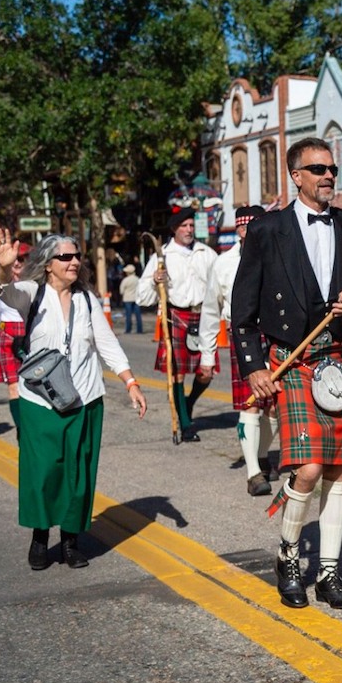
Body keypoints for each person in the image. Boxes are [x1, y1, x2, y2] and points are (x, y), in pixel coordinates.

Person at [231, 137, 342, 611]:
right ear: (296, 176)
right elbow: (243, 311)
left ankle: (331, 573)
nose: (327, 177)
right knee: (310, 468)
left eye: (332, 169)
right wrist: (255, 367)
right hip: (294, 361)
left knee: (339, 471)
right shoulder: (267, 230)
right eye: (317, 169)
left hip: (341, 360)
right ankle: (289, 558)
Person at [0, 228, 147, 568]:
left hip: (86, 398)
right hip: (39, 400)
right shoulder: (33, 293)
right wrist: (3, 268)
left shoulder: (86, 299)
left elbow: (106, 344)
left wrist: (130, 381)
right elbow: (6, 293)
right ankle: (40, 537)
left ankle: (72, 541)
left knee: (79, 473)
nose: (74, 261)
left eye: (76, 256)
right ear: (48, 264)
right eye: (65, 257)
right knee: (43, 471)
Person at [199, 205, 278, 496]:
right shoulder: (223, 263)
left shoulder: (276, 254)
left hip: (274, 333)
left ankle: (261, 453)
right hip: (244, 334)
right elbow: (210, 310)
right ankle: (253, 472)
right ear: (238, 230)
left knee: (274, 403)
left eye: (254, 225)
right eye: (244, 227)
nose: (249, 232)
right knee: (251, 404)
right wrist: (207, 356)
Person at [138, 206, 218, 442]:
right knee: (178, 375)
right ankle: (185, 424)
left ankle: (188, 403)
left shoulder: (206, 253)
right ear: (174, 229)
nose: (189, 230)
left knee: (207, 371)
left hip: (203, 316)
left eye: (192, 225)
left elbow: (220, 285)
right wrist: (154, 281)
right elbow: (143, 297)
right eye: (184, 226)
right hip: (177, 317)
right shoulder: (162, 256)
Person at [0, 240, 31, 431]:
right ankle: (23, 430)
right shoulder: (0, 282)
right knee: (14, 387)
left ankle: (32, 426)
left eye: (21, 258)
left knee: (32, 387)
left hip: (30, 336)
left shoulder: (35, 283)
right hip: (7, 337)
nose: (17, 262)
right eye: (14, 259)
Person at [118, 263, 142, 334]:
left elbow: (121, 291)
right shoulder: (137, 279)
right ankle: (139, 329)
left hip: (127, 299)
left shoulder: (125, 280)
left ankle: (128, 329)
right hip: (136, 298)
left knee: (128, 315)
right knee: (138, 315)